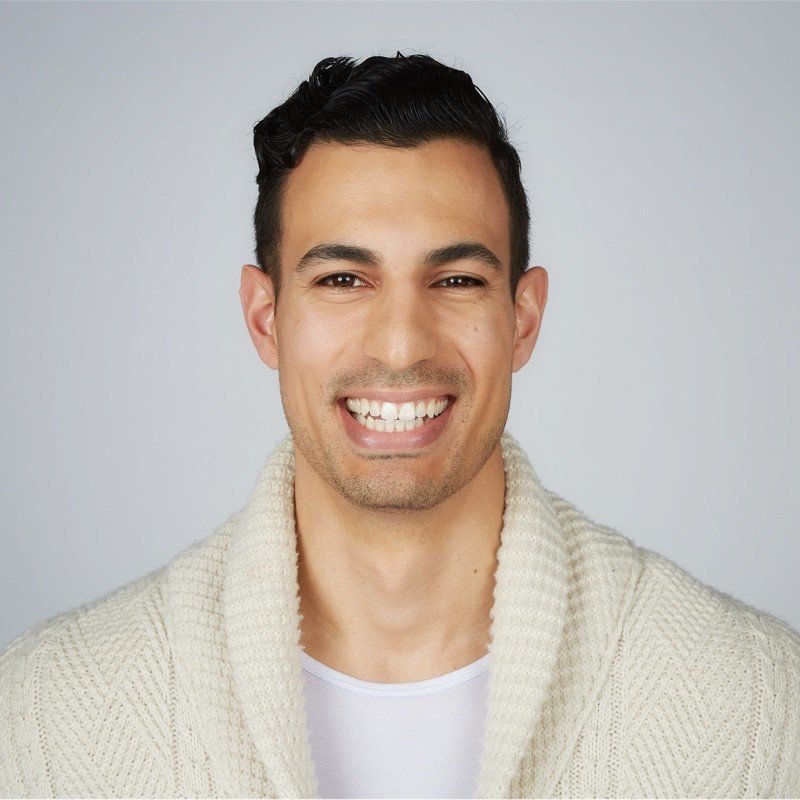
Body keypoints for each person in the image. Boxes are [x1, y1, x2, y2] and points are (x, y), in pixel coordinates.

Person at [1, 52, 798, 800]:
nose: (400, 343)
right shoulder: (47, 722)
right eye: (344, 278)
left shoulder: (756, 715)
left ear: (522, 320)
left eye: (455, 279)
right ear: (265, 318)